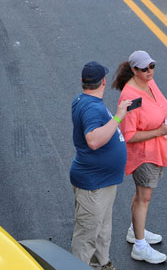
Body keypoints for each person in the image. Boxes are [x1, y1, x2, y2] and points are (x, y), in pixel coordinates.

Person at [112, 51, 167, 266]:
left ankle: (134, 231)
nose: (150, 71)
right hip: (144, 155)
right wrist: (160, 131)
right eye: (144, 69)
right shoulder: (130, 98)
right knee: (144, 198)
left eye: (152, 66)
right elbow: (129, 135)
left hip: (156, 150)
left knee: (141, 195)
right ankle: (139, 247)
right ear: (134, 70)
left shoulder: (148, 82)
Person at [69, 61, 130, 270]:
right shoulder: (92, 108)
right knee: (86, 236)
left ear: (82, 82)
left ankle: (101, 264)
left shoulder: (83, 100)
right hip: (93, 185)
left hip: (102, 182)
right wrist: (119, 116)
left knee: (102, 229)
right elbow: (93, 140)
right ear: (103, 82)